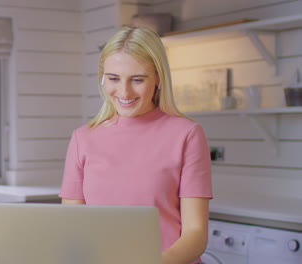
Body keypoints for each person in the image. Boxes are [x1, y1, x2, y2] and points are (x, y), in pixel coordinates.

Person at [58, 26, 213, 264]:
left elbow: (195, 234)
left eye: (137, 80)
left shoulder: (187, 134)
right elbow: (73, 228)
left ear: (158, 77)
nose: (124, 91)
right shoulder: (83, 139)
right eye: (113, 78)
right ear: (102, 77)